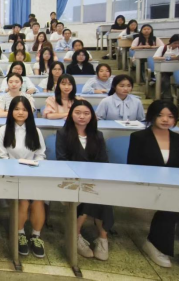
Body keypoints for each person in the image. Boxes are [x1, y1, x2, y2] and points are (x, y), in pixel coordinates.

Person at [56, 100, 113, 261]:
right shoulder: (63, 134)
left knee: (102, 195)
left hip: (93, 179)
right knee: (90, 193)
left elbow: (103, 161)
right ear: (71, 114)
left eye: (86, 113)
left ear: (92, 116)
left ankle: (102, 238)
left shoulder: (97, 135)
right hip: (71, 180)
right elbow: (62, 160)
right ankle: (76, 235)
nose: (82, 116)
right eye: (78, 113)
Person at [127, 100, 179, 268]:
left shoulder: (178, 139)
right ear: (152, 116)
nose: (165, 120)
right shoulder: (139, 137)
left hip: (173, 185)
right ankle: (156, 244)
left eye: (170, 116)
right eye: (160, 115)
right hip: (148, 185)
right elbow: (133, 166)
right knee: (172, 205)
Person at [0, 95, 46, 258]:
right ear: (11, 111)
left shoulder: (36, 131)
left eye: (24, 110)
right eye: (17, 109)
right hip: (13, 175)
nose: (20, 112)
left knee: (38, 200)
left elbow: (40, 154)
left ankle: (36, 236)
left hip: (33, 173)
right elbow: (3, 156)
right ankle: (20, 234)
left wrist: (34, 169)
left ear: (29, 112)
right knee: (24, 200)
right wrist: (15, 171)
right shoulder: (3, 130)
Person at [153, 34, 179, 99]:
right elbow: (155, 58)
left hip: (177, 70)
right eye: (175, 43)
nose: (177, 45)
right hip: (164, 70)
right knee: (165, 81)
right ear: (171, 42)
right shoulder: (163, 48)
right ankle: (166, 98)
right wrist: (170, 58)